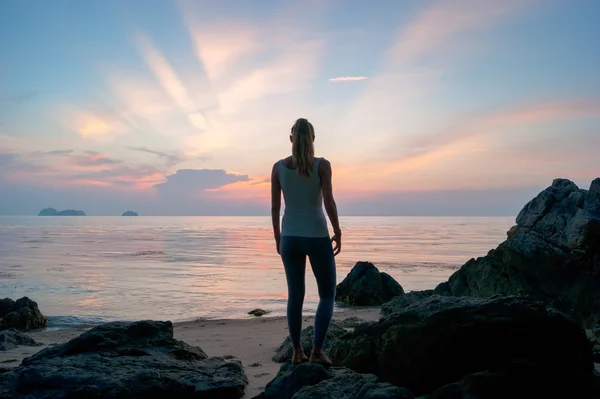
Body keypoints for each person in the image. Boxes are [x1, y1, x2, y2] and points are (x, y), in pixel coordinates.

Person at [270, 117, 342, 366]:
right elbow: (329, 202)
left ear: (291, 139)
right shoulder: (323, 166)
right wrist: (338, 230)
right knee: (327, 295)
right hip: (316, 236)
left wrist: (278, 239)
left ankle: (297, 351)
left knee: (295, 296)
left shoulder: (278, 167)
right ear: (312, 138)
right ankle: (317, 351)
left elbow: (275, 208)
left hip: (290, 238)